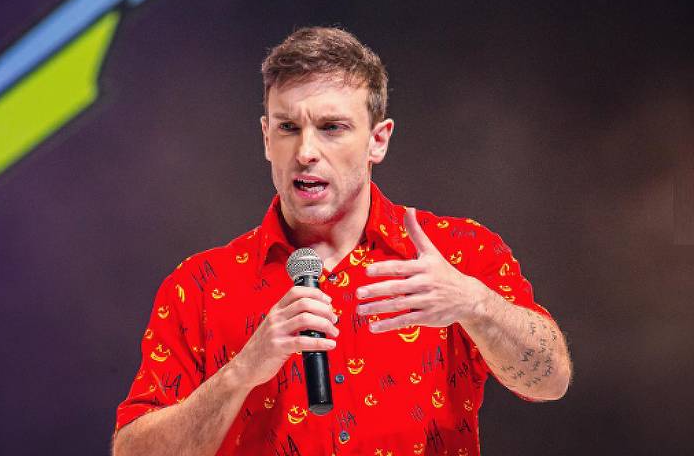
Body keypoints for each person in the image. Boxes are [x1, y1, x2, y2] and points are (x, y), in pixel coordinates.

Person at [112, 27, 572, 456]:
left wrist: (476, 304)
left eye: (332, 127)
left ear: (378, 141)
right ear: (266, 138)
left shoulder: (459, 252)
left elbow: (551, 381)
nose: (305, 152)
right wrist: (241, 372)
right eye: (288, 128)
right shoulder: (200, 285)